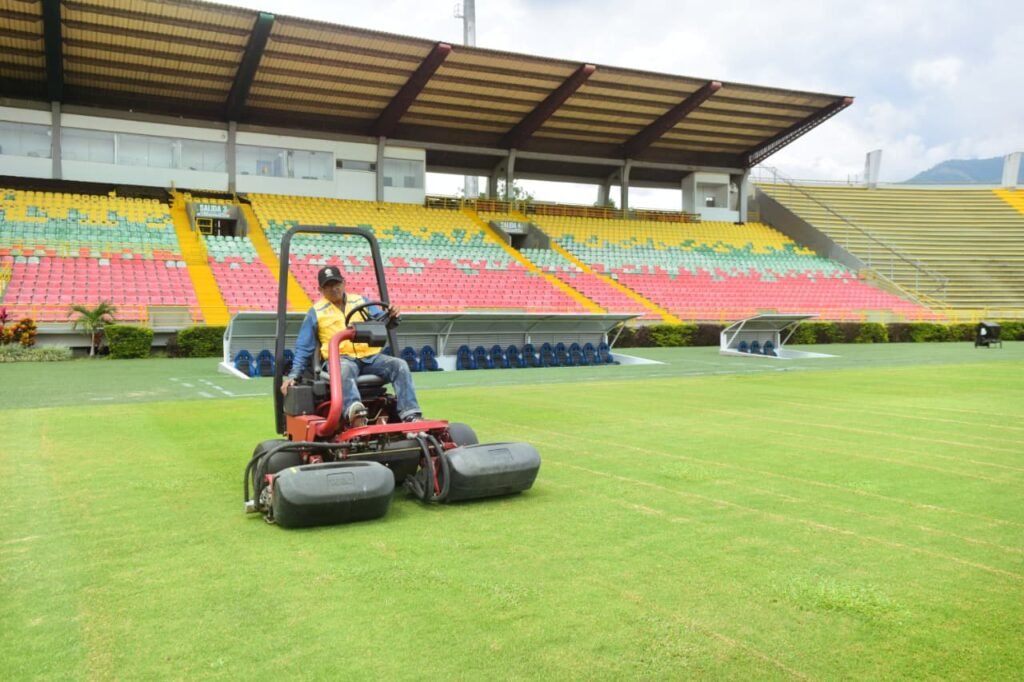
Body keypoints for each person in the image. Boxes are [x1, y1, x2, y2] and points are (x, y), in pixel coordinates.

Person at [281, 265, 423, 425]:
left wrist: (393, 315)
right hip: (341, 360)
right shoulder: (316, 312)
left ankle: (411, 416)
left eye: (336, 284)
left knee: (400, 365)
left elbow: (383, 322)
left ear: (344, 283)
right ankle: (355, 415)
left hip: (371, 358)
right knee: (345, 370)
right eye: (328, 286)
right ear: (320, 289)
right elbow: (303, 347)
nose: (334, 289)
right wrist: (293, 376)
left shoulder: (361, 301)